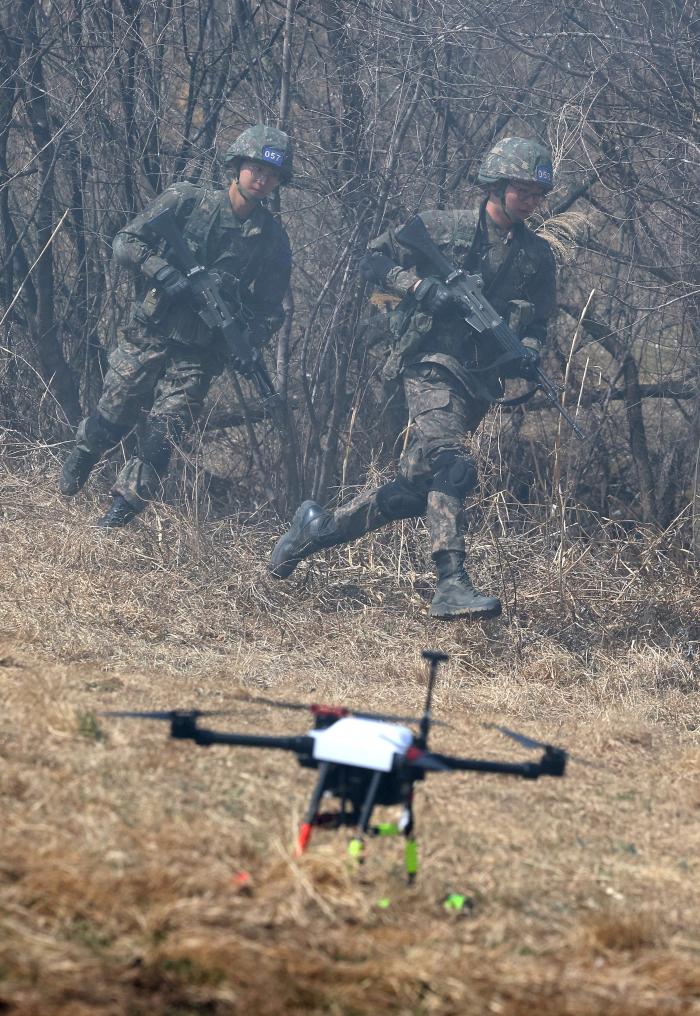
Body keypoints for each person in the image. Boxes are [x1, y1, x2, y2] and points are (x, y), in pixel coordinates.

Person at [269, 136, 557, 620]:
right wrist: (421, 287)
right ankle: (451, 583)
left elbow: (540, 323)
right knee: (455, 467)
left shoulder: (537, 255)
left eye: (536, 194)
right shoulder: (442, 227)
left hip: (477, 381)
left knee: (412, 490)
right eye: (521, 189)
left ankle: (313, 531)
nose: (529, 201)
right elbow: (373, 261)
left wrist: (525, 355)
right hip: (428, 363)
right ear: (496, 184)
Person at [59, 125, 293, 528]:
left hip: (202, 350)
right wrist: (163, 271)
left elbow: (270, 308)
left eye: (271, 175)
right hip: (152, 327)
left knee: (165, 435)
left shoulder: (272, 238)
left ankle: (116, 516)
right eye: (256, 169)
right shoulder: (188, 201)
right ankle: (82, 456)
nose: (262, 179)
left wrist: (246, 342)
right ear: (236, 166)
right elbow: (126, 241)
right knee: (114, 412)